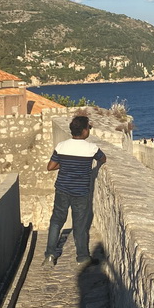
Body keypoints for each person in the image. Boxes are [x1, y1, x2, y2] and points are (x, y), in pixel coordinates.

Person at [43, 114, 106, 270]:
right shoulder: (91, 148)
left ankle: (50, 256)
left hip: (62, 189)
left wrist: (64, 165)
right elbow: (102, 158)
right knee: (80, 225)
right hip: (81, 192)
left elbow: (50, 167)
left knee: (56, 221)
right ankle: (82, 257)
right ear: (84, 131)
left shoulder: (61, 146)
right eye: (88, 129)